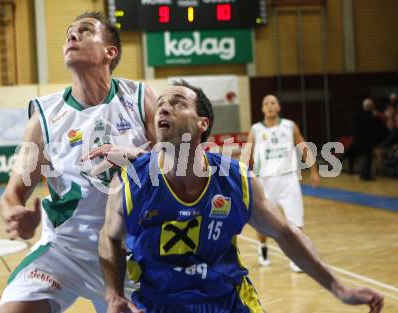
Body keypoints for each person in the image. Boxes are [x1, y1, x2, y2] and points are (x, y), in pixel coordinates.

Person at [99, 81, 384, 313]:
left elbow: (284, 233)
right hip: (159, 303)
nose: (164, 108)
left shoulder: (236, 180)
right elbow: (110, 237)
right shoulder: (130, 180)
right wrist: (113, 295)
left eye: (177, 103)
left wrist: (339, 288)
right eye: (160, 104)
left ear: (202, 123)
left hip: (227, 301)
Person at [0, 12, 157, 313]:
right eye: (69, 32)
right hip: (65, 251)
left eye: (85, 31)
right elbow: (12, 192)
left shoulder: (139, 99)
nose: (72, 36)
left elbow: (175, 166)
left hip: (129, 252)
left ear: (111, 52)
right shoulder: (44, 117)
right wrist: (16, 213)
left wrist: (136, 158)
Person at [246, 94, 319, 272]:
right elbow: (247, 155)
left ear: (278, 107)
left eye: (273, 103)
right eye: (266, 104)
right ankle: (262, 247)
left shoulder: (289, 126)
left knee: (295, 222)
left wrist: (314, 170)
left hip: (288, 178)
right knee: (264, 223)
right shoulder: (255, 129)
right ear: (262, 109)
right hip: (265, 181)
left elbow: (303, 146)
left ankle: (297, 259)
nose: (270, 106)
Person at [343, 98, 388, 180]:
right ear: (371, 106)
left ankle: (359, 172)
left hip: (358, 140)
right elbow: (382, 129)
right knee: (367, 156)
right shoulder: (372, 116)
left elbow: (352, 129)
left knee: (355, 154)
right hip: (366, 140)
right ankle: (365, 175)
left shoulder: (357, 115)